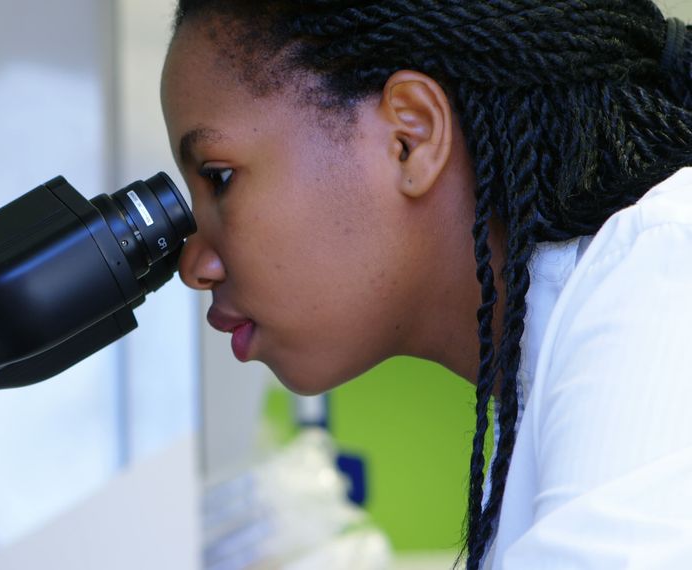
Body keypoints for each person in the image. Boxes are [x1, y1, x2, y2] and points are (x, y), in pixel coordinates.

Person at [160, 1, 692, 567]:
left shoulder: (661, 275)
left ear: (409, 138)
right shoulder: (559, 366)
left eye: (219, 179)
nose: (195, 264)